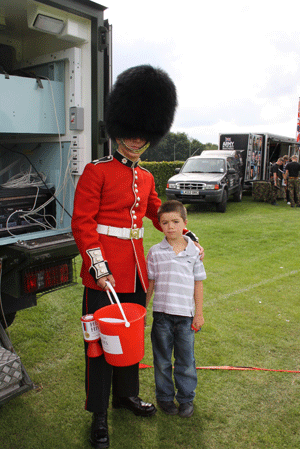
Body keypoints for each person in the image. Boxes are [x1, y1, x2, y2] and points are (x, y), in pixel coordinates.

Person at [71, 65, 204, 449]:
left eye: (142, 135)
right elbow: (83, 224)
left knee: (128, 342)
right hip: (105, 274)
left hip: (135, 276)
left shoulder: (144, 177)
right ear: (117, 130)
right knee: (98, 345)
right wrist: (99, 267)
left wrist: (188, 233)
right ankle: (98, 412)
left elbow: (157, 210)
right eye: (129, 133)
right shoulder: (96, 171)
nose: (135, 140)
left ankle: (125, 395)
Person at [146, 200, 206, 419]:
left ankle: (186, 399)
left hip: (186, 318)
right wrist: (144, 309)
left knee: (186, 361)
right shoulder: (154, 252)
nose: (170, 227)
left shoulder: (195, 252)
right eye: (165, 223)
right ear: (160, 225)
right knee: (162, 361)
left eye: (175, 221)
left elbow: (198, 283)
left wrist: (198, 313)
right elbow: (150, 283)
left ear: (185, 223)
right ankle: (164, 398)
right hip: (161, 316)